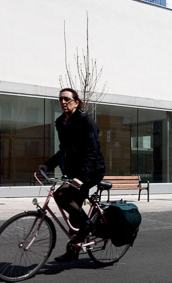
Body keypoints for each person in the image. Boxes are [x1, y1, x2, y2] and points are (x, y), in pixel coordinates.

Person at [39, 88, 106, 262]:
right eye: (60, 99)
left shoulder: (86, 121)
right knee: (73, 209)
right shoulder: (61, 122)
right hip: (74, 171)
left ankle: (87, 226)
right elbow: (64, 150)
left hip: (92, 170)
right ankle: (73, 250)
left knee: (61, 194)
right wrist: (48, 164)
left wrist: (82, 177)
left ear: (76, 102)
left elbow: (92, 151)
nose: (63, 102)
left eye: (67, 99)